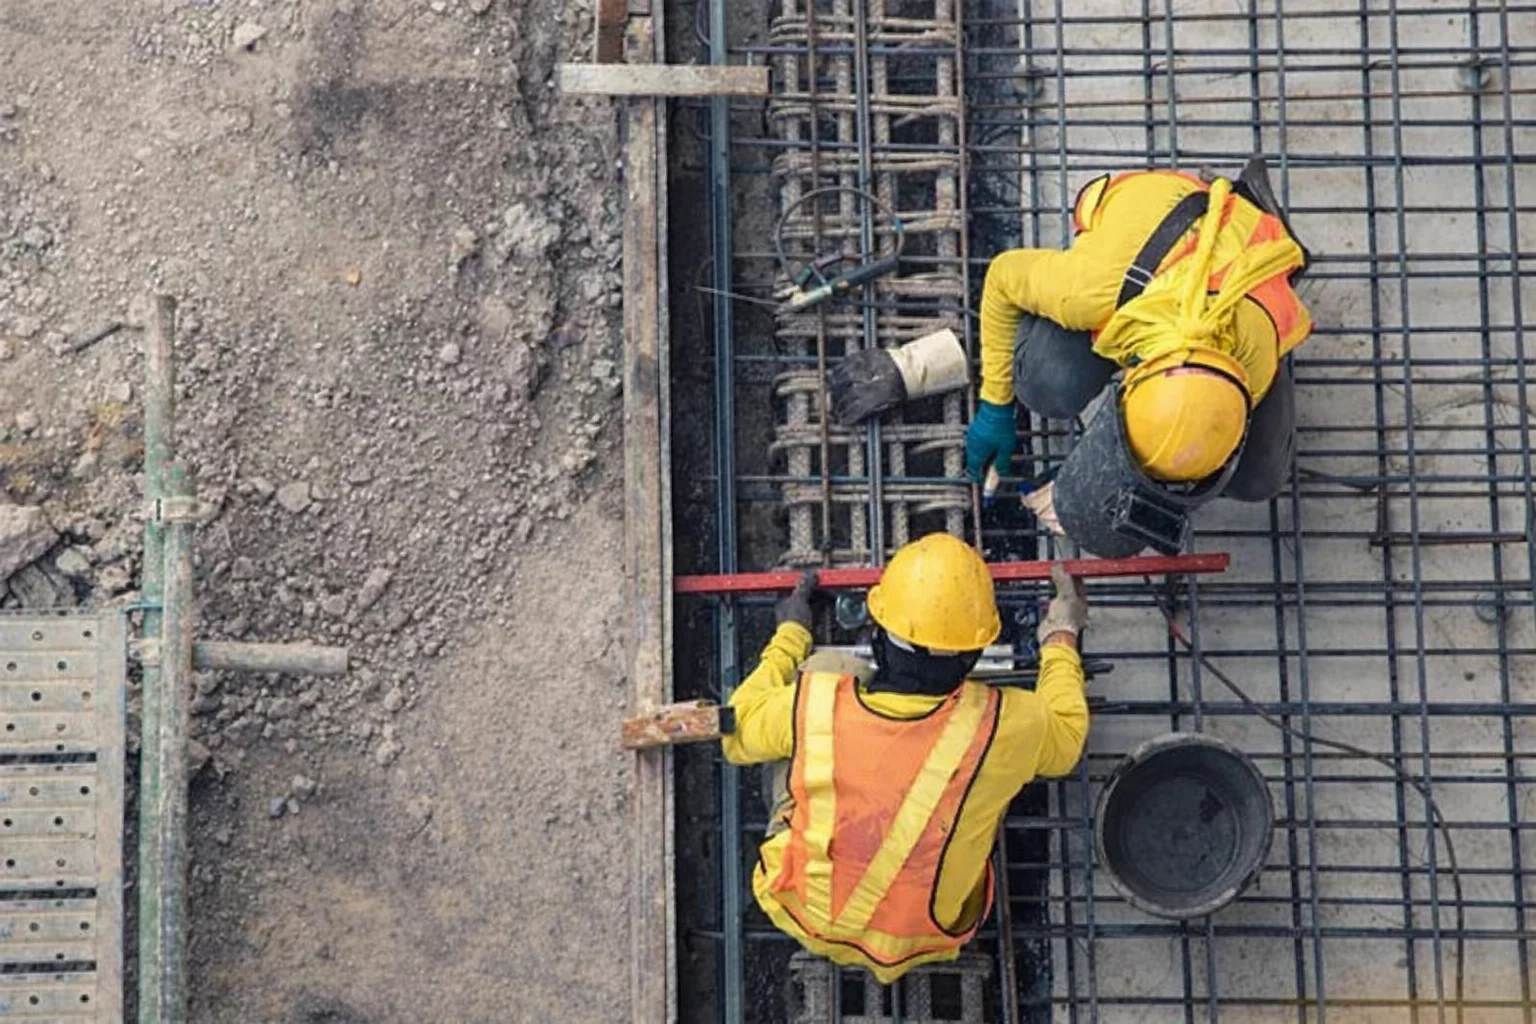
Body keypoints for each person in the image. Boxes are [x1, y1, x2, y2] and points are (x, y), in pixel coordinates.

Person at [722, 533, 1090, 983]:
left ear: (881, 634)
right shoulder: (1007, 724)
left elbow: (735, 733)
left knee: (819, 683)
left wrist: (790, 635)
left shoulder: (817, 703)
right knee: (986, 777)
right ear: (973, 654)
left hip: (802, 911)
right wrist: (1060, 635)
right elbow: (1068, 739)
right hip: (926, 937)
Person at [963, 159, 1312, 557]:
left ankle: (1259, 211)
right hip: (1156, 221)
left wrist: (1094, 483)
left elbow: (1187, 444)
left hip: (1247, 263)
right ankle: (1241, 198)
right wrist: (996, 404)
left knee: (1259, 478)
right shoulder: (1090, 290)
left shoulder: (1255, 358)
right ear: (1132, 378)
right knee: (1044, 383)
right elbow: (1001, 278)